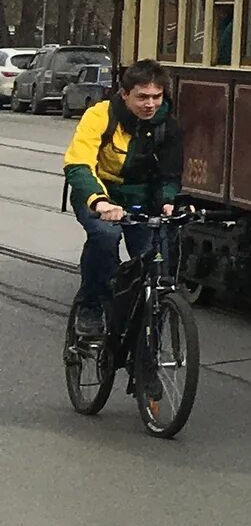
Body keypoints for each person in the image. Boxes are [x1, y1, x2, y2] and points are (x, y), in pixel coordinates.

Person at [63, 61, 185, 337]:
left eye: (157, 97)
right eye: (142, 97)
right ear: (124, 94)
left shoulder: (169, 126)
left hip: (141, 199)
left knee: (156, 264)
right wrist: (100, 202)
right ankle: (91, 306)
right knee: (106, 236)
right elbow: (78, 164)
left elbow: (170, 174)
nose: (150, 104)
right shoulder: (100, 116)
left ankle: (146, 352)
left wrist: (168, 201)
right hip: (99, 193)